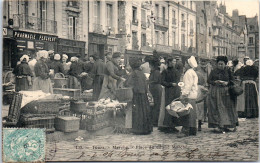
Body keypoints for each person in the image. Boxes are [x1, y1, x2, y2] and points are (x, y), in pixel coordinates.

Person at [207, 56, 238, 133]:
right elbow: (209, 80)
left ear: (225, 64)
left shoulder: (228, 71)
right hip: (216, 91)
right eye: (219, 64)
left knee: (226, 108)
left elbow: (232, 81)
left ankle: (227, 125)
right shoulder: (213, 71)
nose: (220, 65)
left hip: (226, 92)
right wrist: (215, 82)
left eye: (222, 64)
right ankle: (218, 125)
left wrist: (227, 83)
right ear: (217, 64)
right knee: (216, 108)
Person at [124, 57, 153, 135]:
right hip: (143, 94)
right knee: (144, 112)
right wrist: (148, 92)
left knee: (138, 112)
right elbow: (145, 84)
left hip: (136, 95)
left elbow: (128, 84)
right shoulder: (141, 73)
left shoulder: (133, 73)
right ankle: (146, 128)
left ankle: (138, 129)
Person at [177, 56, 198, 138]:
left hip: (188, 96)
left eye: (185, 63)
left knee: (186, 113)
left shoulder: (188, 73)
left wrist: (183, 94)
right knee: (192, 114)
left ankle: (185, 130)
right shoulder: (193, 72)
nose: (184, 65)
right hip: (193, 95)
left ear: (188, 64)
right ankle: (192, 129)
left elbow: (187, 86)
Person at [159, 57, 181, 133]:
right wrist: (170, 84)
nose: (174, 63)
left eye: (175, 61)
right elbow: (162, 81)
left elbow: (179, 80)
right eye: (173, 61)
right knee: (168, 107)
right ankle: (167, 125)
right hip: (168, 91)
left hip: (176, 91)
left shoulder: (176, 71)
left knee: (175, 107)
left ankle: (174, 125)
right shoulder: (165, 71)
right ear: (169, 62)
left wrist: (178, 84)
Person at [148, 56, 162, 127]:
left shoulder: (156, 72)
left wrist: (149, 81)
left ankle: (155, 121)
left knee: (156, 105)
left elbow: (155, 80)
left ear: (152, 65)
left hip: (156, 89)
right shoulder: (154, 71)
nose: (149, 66)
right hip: (154, 89)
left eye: (150, 65)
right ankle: (154, 120)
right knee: (154, 105)